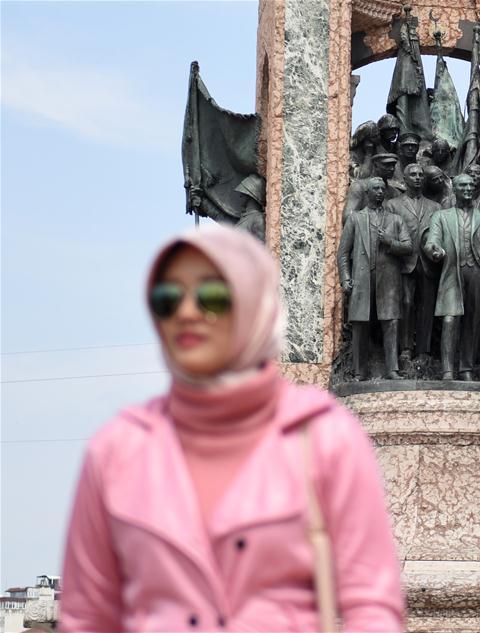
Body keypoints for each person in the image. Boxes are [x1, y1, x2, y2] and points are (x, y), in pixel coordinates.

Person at [60, 225, 405, 632]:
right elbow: (86, 618)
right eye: (168, 299)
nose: (186, 313)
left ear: (254, 305)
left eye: (212, 297)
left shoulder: (325, 437)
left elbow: (372, 608)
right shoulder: (116, 449)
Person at [424, 174, 480, 381]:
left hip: (478, 274)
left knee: (473, 321)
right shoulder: (441, 216)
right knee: (450, 319)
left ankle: (466, 368)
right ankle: (447, 370)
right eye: (463, 185)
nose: (468, 188)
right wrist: (434, 250)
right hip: (452, 272)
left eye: (471, 185)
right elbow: (431, 241)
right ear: (455, 189)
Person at [338, 178, 412, 380]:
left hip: (388, 279)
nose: (380, 192)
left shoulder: (395, 220)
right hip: (362, 279)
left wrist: (389, 242)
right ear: (367, 193)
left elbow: (408, 247)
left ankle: (392, 369)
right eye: (375, 189)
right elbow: (343, 253)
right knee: (360, 325)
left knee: (391, 322)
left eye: (382, 189)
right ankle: (360, 371)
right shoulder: (355, 219)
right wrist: (345, 279)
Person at [384, 163, 442, 360]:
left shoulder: (435, 206)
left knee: (427, 306)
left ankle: (424, 350)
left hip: (427, 263)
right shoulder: (392, 205)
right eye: (413, 174)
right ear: (405, 179)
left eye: (420, 175)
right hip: (403, 263)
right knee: (406, 304)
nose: (417, 177)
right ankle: (406, 348)